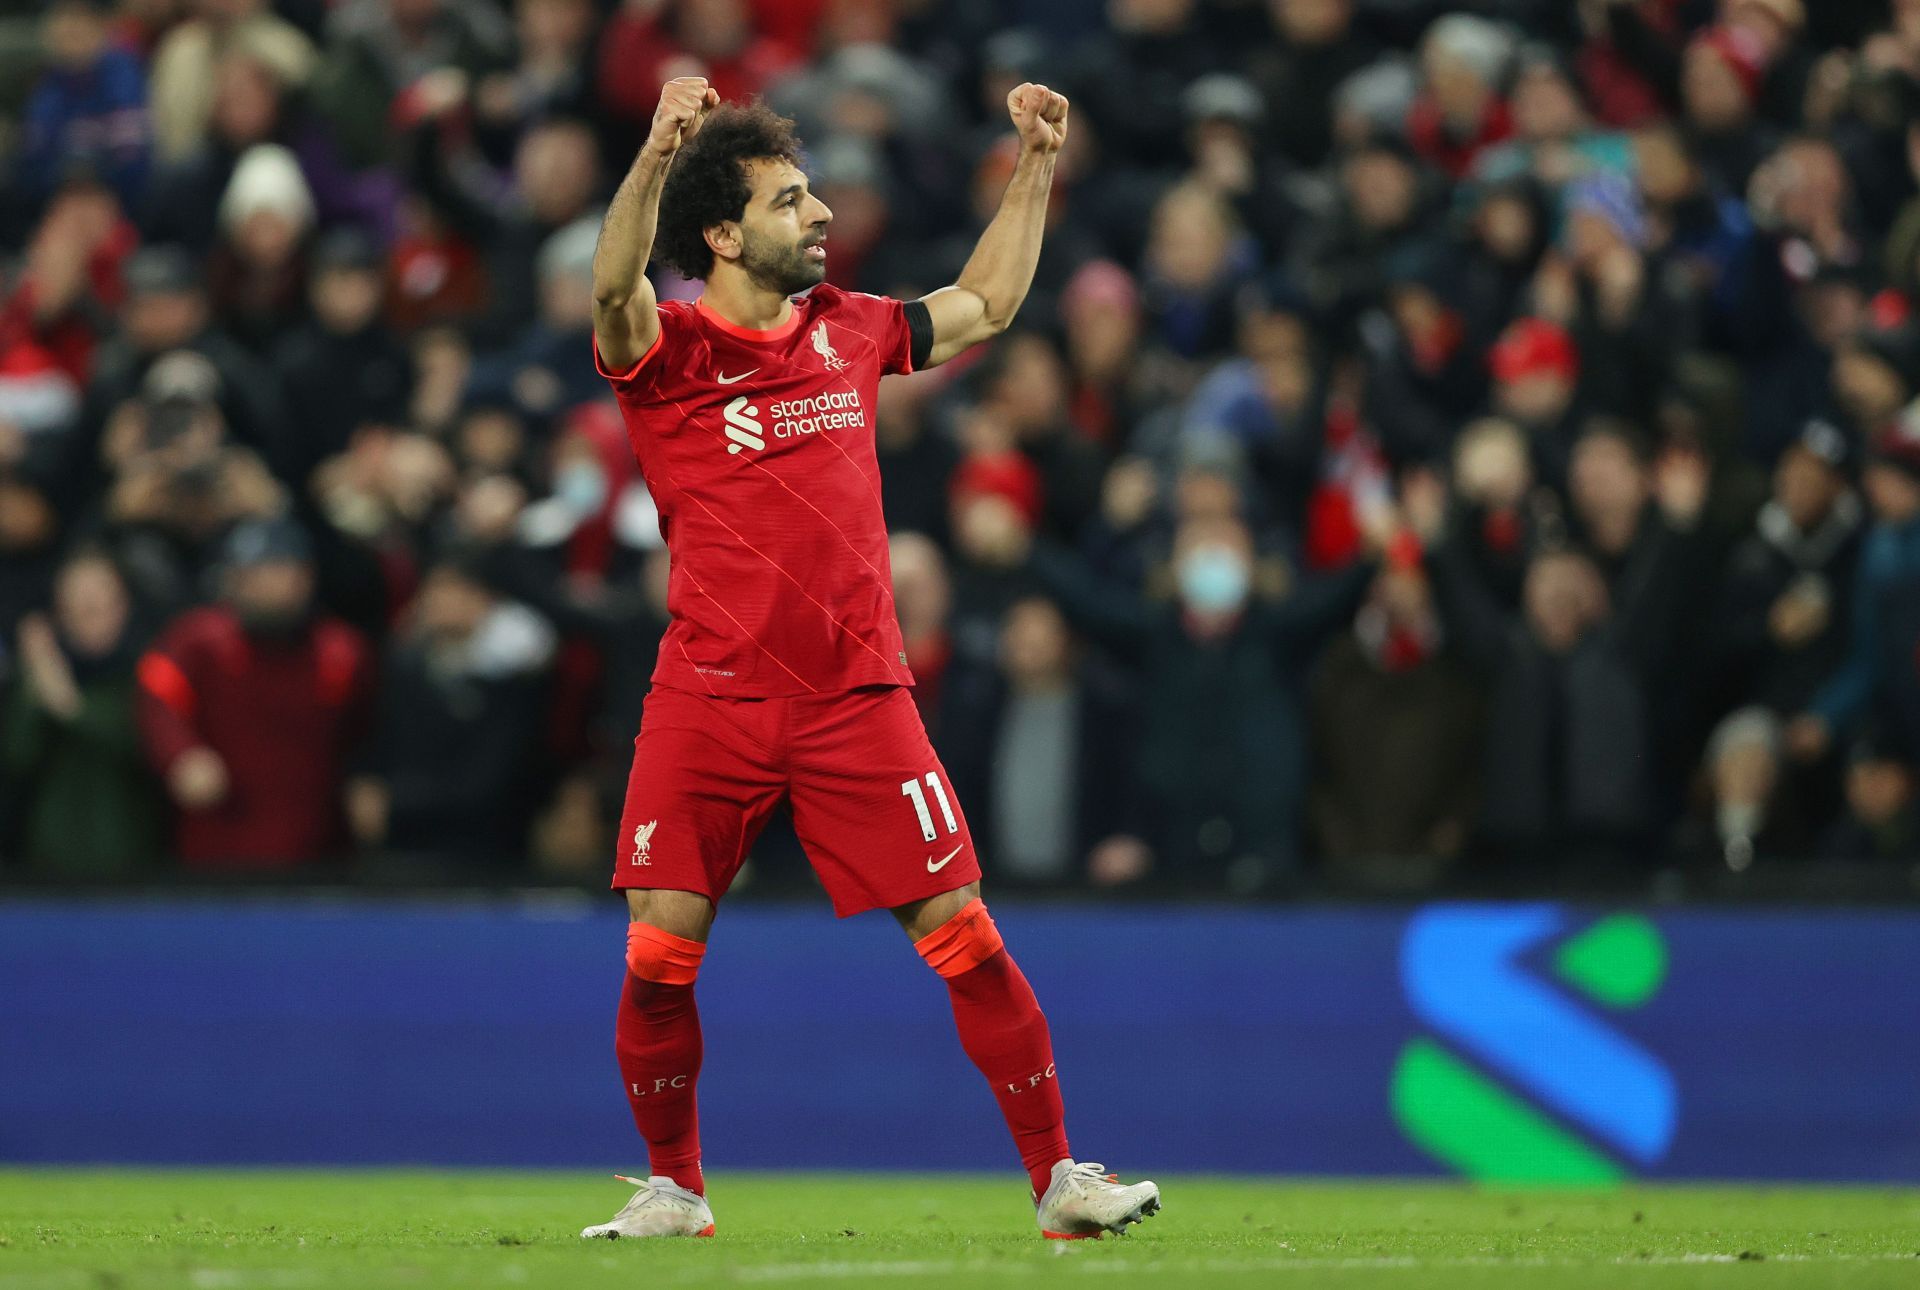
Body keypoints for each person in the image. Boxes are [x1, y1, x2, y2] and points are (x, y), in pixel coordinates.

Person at [577, 79, 1158, 1241]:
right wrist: (653, 154)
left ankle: (1059, 1184)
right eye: (792, 200)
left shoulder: (853, 327)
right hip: (710, 697)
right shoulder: (668, 354)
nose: (824, 213)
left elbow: (988, 303)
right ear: (725, 235)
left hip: (856, 698)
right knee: (657, 954)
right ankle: (673, 1189)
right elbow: (610, 286)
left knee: (966, 934)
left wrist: (1035, 162)